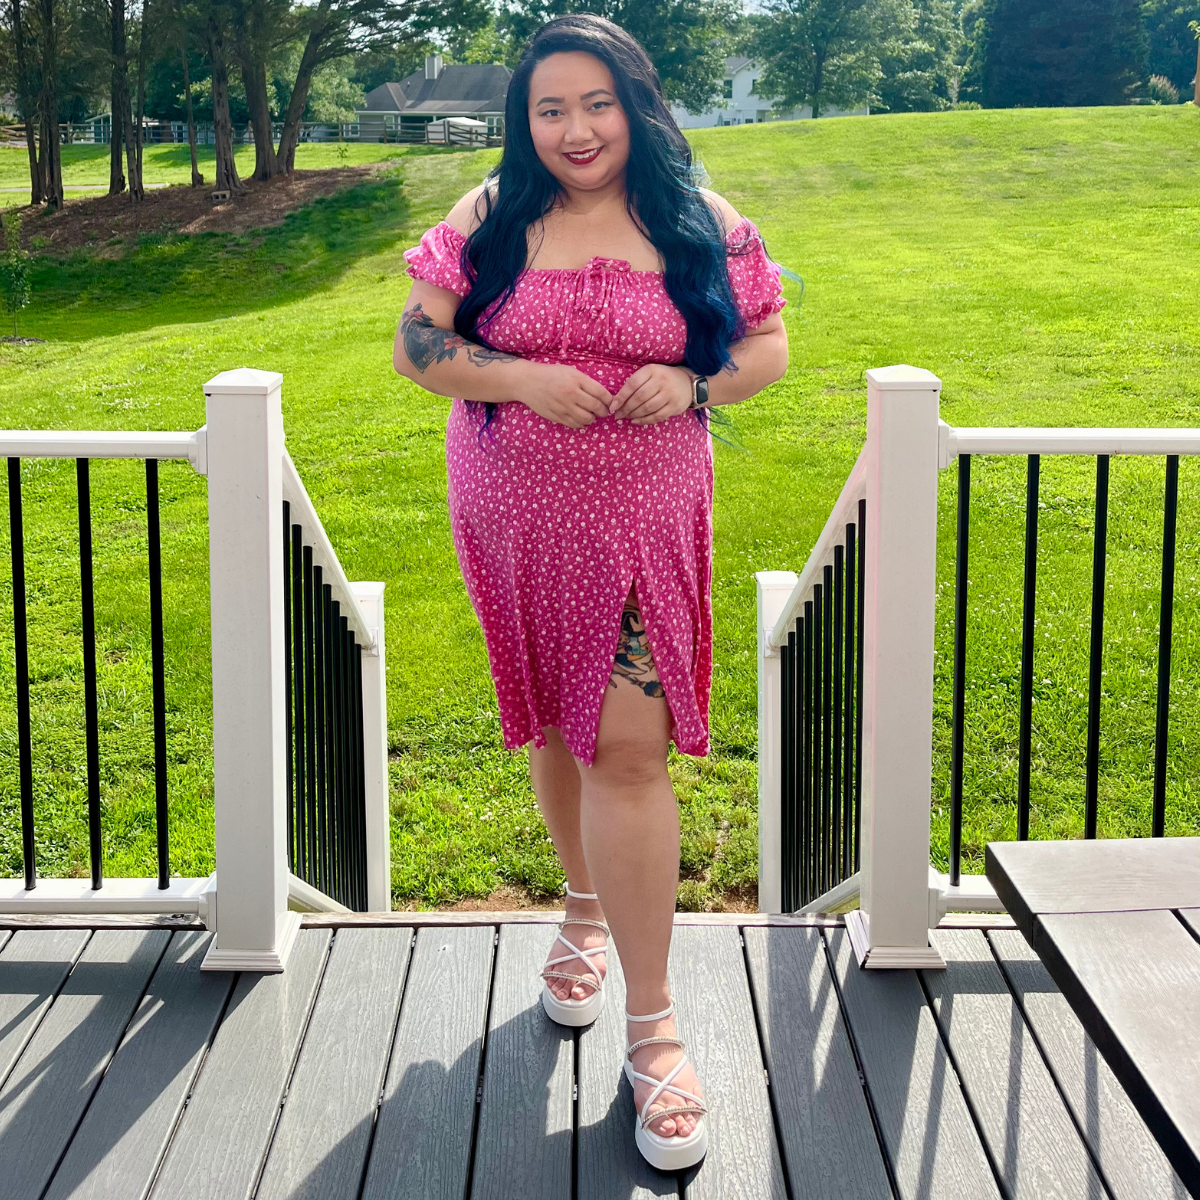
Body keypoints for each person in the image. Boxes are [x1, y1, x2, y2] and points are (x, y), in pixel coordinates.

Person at [394, 14, 788, 1172]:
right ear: (526, 120)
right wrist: (515, 375)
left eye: (598, 103)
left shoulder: (695, 217)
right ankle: (579, 906)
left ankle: (655, 1026)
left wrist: (694, 377)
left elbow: (768, 344)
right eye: (551, 108)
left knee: (629, 744)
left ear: (637, 103)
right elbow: (417, 341)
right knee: (559, 721)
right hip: (512, 510)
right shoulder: (490, 217)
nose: (576, 129)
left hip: (644, 516)